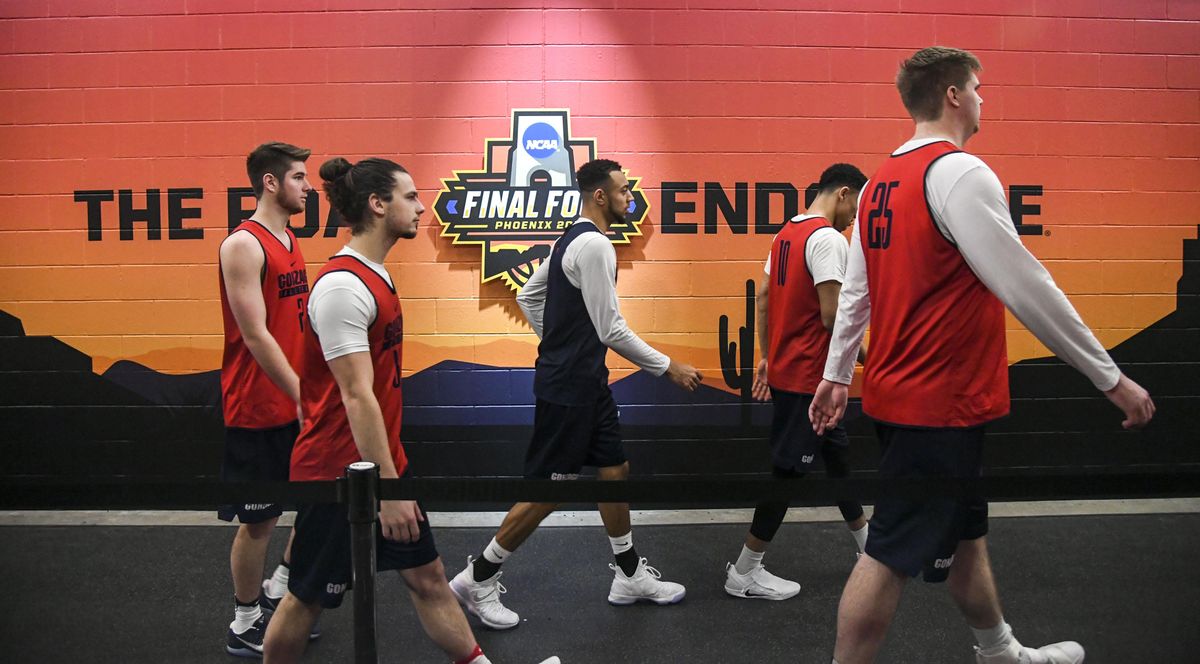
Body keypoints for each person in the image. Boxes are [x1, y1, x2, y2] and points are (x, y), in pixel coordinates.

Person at [808, 47, 1156, 664]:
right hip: (935, 406)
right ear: (952, 96)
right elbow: (1027, 287)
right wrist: (1111, 379)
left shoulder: (881, 180)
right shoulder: (961, 174)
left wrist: (837, 376)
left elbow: (857, 293)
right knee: (888, 553)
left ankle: (1000, 652)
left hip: (909, 400)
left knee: (966, 533)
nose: (982, 98)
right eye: (977, 87)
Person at [260, 157, 557, 664]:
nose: (422, 206)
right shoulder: (342, 287)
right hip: (339, 473)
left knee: (429, 578)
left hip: (379, 461)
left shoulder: (375, 275)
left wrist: (391, 476)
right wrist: (389, 491)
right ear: (378, 205)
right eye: (410, 197)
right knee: (306, 599)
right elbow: (357, 396)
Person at [449, 159, 703, 630]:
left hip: (587, 382)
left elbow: (528, 295)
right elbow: (611, 328)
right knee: (551, 490)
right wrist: (668, 367)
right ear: (600, 196)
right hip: (570, 388)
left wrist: (561, 340)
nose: (632, 199)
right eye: (624, 191)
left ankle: (628, 574)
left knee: (614, 469)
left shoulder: (569, 237)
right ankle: (476, 577)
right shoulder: (595, 245)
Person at [724, 163, 870, 602]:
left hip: (796, 373)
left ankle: (870, 552)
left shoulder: (786, 233)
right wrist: (874, 358)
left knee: (838, 458)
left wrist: (767, 357)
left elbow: (764, 298)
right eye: (856, 208)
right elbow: (833, 317)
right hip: (811, 380)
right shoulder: (827, 239)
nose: (855, 220)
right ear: (843, 193)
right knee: (787, 474)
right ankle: (745, 571)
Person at [218, 141, 314, 657]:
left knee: (318, 505)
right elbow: (255, 334)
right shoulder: (244, 245)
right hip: (257, 407)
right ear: (271, 183)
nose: (308, 186)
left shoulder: (289, 237)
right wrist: (303, 396)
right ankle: (245, 620)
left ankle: (281, 591)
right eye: (299, 177)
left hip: (297, 400)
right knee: (260, 522)